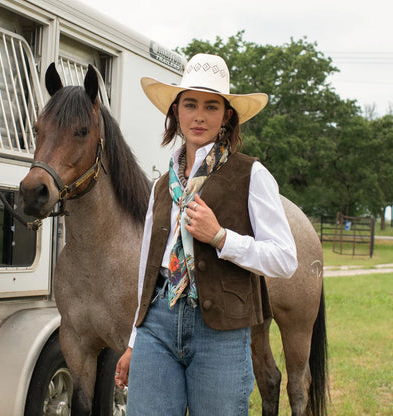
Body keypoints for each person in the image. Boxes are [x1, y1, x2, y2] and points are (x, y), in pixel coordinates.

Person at [115, 53, 298, 416]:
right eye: (191, 104)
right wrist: (135, 339)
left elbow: (285, 259)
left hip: (220, 331)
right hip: (158, 322)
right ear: (176, 111)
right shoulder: (162, 186)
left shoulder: (252, 175)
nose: (199, 116)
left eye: (211, 107)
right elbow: (146, 270)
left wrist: (221, 238)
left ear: (227, 115)